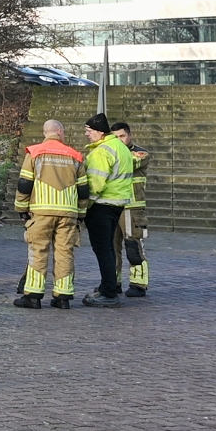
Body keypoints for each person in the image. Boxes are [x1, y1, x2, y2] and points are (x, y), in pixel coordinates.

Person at [14, 119, 85, 308]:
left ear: (45, 133)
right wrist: (81, 212)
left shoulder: (35, 152)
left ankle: (33, 296)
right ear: (60, 132)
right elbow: (84, 189)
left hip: (41, 211)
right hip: (68, 212)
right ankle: (63, 297)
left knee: (38, 251)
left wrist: (21, 208)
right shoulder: (75, 156)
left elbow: (25, 184)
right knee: (64, 253)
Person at [79, 112, 136, 307]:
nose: (86, 134)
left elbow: (95, 183)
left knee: (103, 249)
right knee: (109, 249)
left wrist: (85, 207)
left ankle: (109, 292)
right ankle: (108, 286)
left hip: (102, 205)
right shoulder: (120, 147)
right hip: (117, 204)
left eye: (88, 131)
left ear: (99, 132)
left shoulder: (103, 151)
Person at [112, 121, 151, 296]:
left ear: (130, 135)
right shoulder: (111, 153)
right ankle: (112, 281)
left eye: (122, 136)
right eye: (115, 137)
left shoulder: (141, 154)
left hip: (132, 208)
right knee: (111, 247)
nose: (119, 140)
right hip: (112, 205)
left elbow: (124, 165)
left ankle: (138, 284)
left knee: (133, 246)